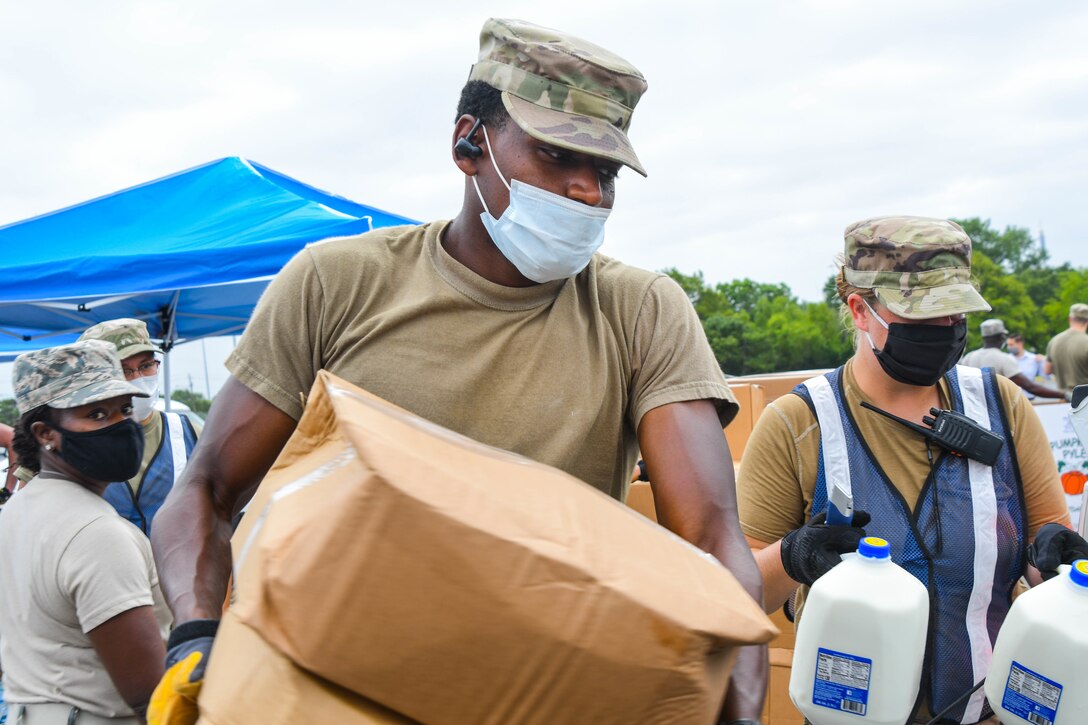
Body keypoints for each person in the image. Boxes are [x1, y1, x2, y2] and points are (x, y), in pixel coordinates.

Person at [149, 17, 764, 725]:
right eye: (556, 154)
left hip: (544, 699)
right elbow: (206, 489)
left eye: (605, 171)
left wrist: (739, 709)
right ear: (468, 142)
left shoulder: (640, 312)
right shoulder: (337, 284)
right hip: (329, 694)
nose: (588, 191)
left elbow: (712, 535)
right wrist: (195, 635)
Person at [736, 216, 1085, 725]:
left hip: (986, 714)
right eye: (923, 318)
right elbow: (736, 594)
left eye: (955, 314)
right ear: (860, 309)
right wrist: (790, 557)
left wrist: (1054, 557)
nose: (945, 332)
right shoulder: (798, 423)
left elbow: (1047, 559)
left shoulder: (1001, 407)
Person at [0, 341, 172, 724]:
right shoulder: (97, 534)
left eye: (124, 409)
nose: (121, 425)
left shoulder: (16, 512)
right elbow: (151, 694)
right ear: (47, 433)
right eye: (96, 414)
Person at [78, 319, 200, 535]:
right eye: (125, 371)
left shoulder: (188, 433)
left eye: (146, 366)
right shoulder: (74, 441)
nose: (139, 379)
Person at [960, 318, 1067, 401]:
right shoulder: (1003, 359)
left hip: (973, 411)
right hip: (997, 413)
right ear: (1002, 337)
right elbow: (1030, 387)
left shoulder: (969, 357)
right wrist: (1064, 395)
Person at [1045, 302, 1088, 393]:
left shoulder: (1054, 341)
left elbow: (1047, 370)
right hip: (1085, 400)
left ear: (1070, 319)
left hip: (1063, 398)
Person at [1006, 332, 1049, 399]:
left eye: (1011, 344)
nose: (1009, 347)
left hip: (1030, 399)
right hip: (1012, 399)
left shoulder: (1034, 359)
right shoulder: (1006, 359)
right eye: (1008, 345)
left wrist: (1045, 361)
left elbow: (1047, 376)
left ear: (1020, 344)